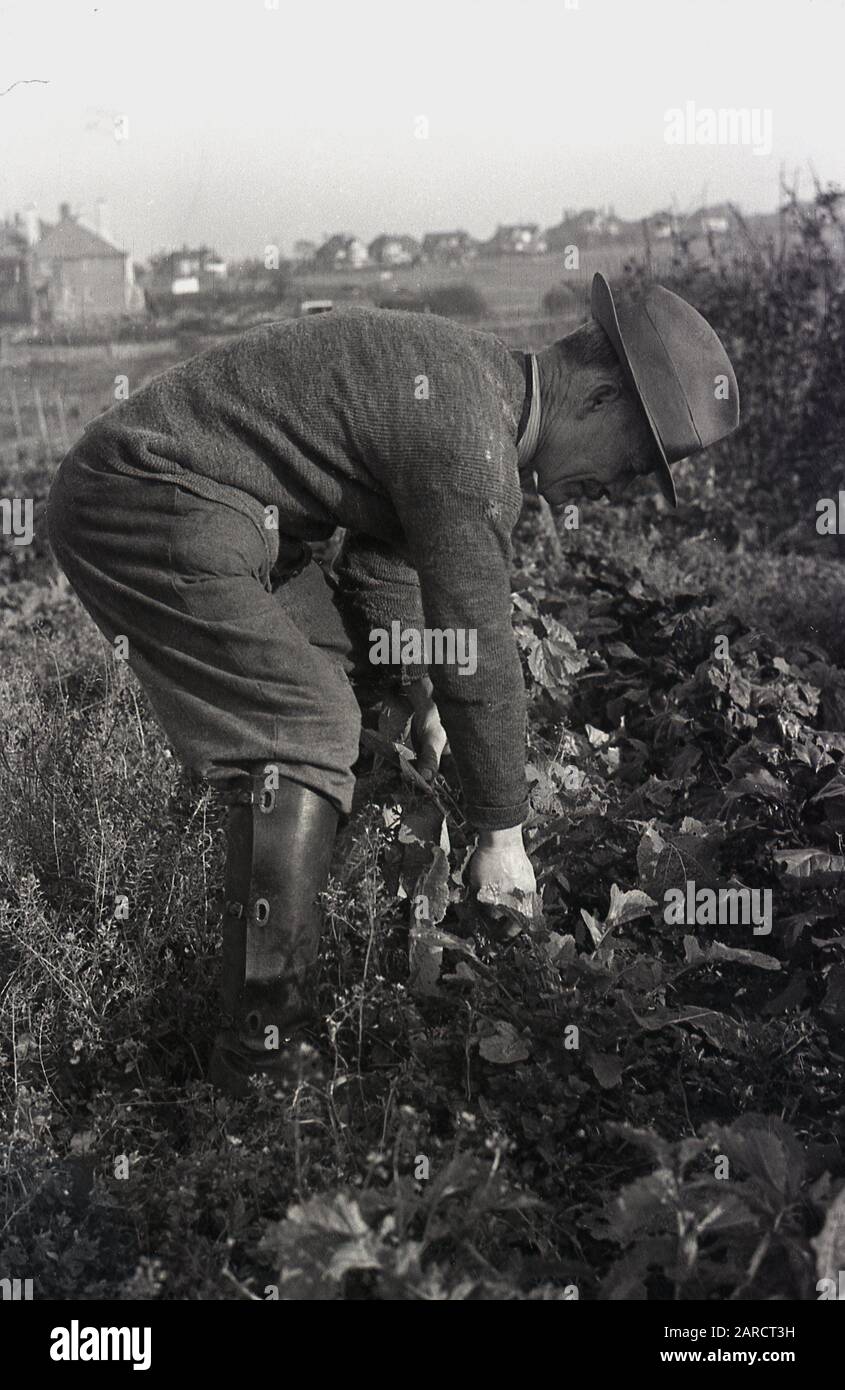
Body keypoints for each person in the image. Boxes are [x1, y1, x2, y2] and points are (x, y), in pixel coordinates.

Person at [47, 273, 739, 1092]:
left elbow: (387, 561)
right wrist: (501, 837)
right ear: (595, 397)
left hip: (232, 516)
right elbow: (476, 640)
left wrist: (417, 694)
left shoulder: (475, 391)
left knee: (356, 693)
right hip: (150, 495)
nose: (611, 488)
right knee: (302, 728)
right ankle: (264, 1060)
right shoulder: (472, 442)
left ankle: (331, 944)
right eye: (628, 463)